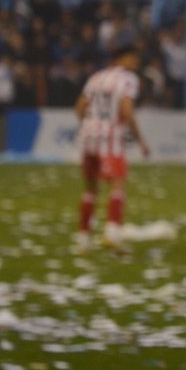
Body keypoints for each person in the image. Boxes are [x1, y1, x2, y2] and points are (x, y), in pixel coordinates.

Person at [74, 44, 150, 254]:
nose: (135, 63)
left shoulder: (96, 77)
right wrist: (139, 139)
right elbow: (126, 109)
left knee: (90, 189)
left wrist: (89, 125)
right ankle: (112, 234)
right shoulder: (128, 79)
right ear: (121, 59)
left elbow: (80, 106)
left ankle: (83, 241)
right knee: (117, 184)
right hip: (111, 139)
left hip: (88, 137)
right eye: (132, 58)